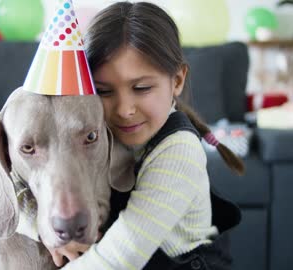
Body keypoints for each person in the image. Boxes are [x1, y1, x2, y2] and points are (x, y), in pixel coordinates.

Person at [44, 2, 243, 270]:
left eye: (142, 87)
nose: (125, 110)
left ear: (177, 80)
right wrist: (42, 225)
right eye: (104, 91)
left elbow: (120, 258)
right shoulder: (91, 130)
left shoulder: (179, 150)